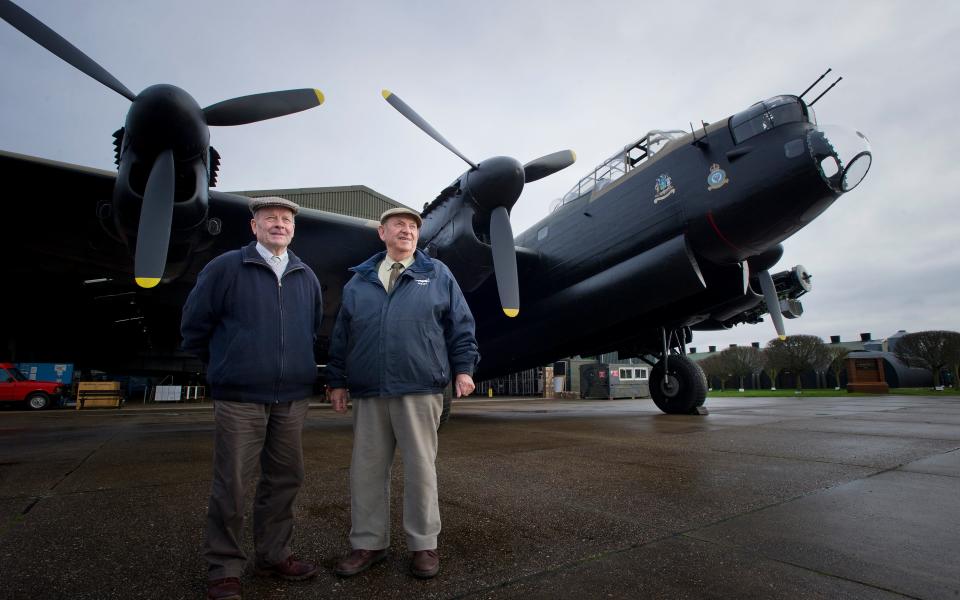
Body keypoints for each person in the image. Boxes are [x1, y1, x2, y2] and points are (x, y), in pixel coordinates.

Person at [181, 196, 323, 600]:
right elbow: (195, 327)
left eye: (285, 220)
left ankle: (274, 554)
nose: (278, 224)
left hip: (292, 399)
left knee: (284, 480)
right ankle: (224, 567)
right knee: (233, 484)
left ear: (293, 229)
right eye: (269, 219)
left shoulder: (306, 276)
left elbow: (310, 331)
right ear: (253, 226)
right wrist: (229, 366)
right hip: (240, 398)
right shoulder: (226, 268)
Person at [327, 206, 479, 579]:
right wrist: (337, 381)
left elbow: (460, 324)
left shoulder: (438, 274)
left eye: (412, 226)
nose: (407, 230)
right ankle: (368, 543)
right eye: (398, 225)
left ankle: (424, 544)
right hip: (369, 390)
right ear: (382, 233)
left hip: (420, 386)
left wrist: (463, 368)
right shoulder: (358, 281)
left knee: (421, 469)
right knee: (366, 470)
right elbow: (341, 337)